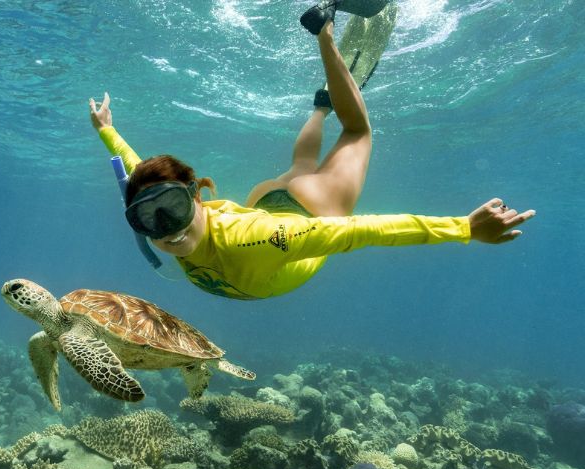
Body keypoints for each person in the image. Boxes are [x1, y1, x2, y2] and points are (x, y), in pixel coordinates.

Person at [89, 18, 535, 300]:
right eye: (148, 217)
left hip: (303, 210)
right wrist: (108, 130)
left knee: (357, 132)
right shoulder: (167, 213)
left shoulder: (260, 239)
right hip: (269, 198)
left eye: (173, 208)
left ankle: (326, 38)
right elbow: (135, 169)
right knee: (305, 166)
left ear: (195, 197)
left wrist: (463, 228)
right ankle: (321, 104)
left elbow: (363, 232)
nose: (166, 229)